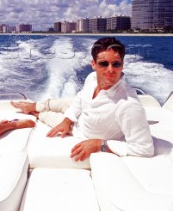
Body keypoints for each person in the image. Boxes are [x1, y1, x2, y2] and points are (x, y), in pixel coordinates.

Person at [11, 37, 154, 161]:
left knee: (46, 115)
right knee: (53, 103)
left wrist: (100, 144)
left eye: (116, 64)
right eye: (103, 64)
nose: (110, 70)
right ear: (93, 64)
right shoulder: (91, 78)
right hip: (81, 107)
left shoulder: (129, 105)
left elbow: (145, 149)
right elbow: (80, 99)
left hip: (80, 130)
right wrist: (67, 120)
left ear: (122, 65)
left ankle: (34, 112)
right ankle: (32, 106)